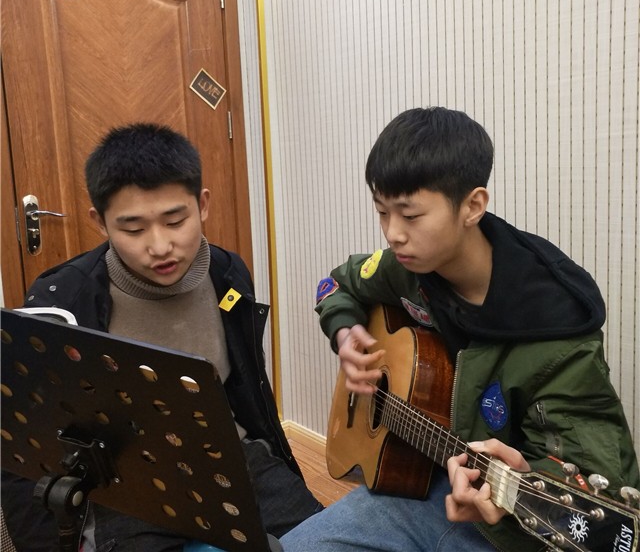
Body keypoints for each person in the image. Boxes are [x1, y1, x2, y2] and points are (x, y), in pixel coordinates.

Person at [280, 107, 640, 552]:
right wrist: (344, 332)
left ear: (472, 206)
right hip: (424, 477)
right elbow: (335, 284)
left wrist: (520, 485)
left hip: (513, 524)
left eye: (410, 215)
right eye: (382, 212)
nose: (393, 234)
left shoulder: (557, 331)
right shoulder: (409, 266)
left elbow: (596, 488)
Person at [2, 123, 323, 551]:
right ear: (100, 222)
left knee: (327, 537)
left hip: (230, 459)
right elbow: (27, 440)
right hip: (129, 482)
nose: (159, 246)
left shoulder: (227, 274)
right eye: (133, 230)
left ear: (202, 205)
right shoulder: (64, 299)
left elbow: (246, 393)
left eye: (175, 221)